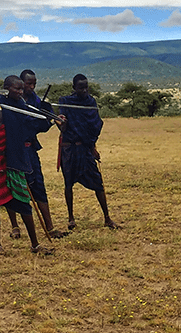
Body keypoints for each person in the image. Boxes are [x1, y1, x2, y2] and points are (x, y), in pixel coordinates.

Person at [0, 75, 58, 255]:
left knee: (23, 201)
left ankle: (35, 245)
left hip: (17, 159)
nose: (20, 92)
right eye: (16, 89)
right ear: (7, 89)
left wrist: (49, 116)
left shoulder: (22, 107)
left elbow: (36, 125)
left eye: (21, 89)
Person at [4, 69, 67, 240]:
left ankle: (50, 227)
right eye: (28, 84)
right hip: (12, 151)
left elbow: (40, 125)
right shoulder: (8, 101)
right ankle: (15, 226)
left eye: (34, 84)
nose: (31, 87)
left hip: (30, 150)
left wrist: (53, 119)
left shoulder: (35, 101)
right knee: (12, 188)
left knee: (38, 185)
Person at [57, 74, 122, 230]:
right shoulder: (66, 102)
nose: (84, 90)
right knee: (68, 184)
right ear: (74, 88)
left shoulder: (90, 102)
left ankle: (107, 218)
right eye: (81, 88)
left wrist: (93, 147)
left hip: (85, 148)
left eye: (86, 87)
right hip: (69, 148)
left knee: (98, 183)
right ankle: (71, 218)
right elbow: (62, 126)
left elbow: (95, 125)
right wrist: (60, 122)